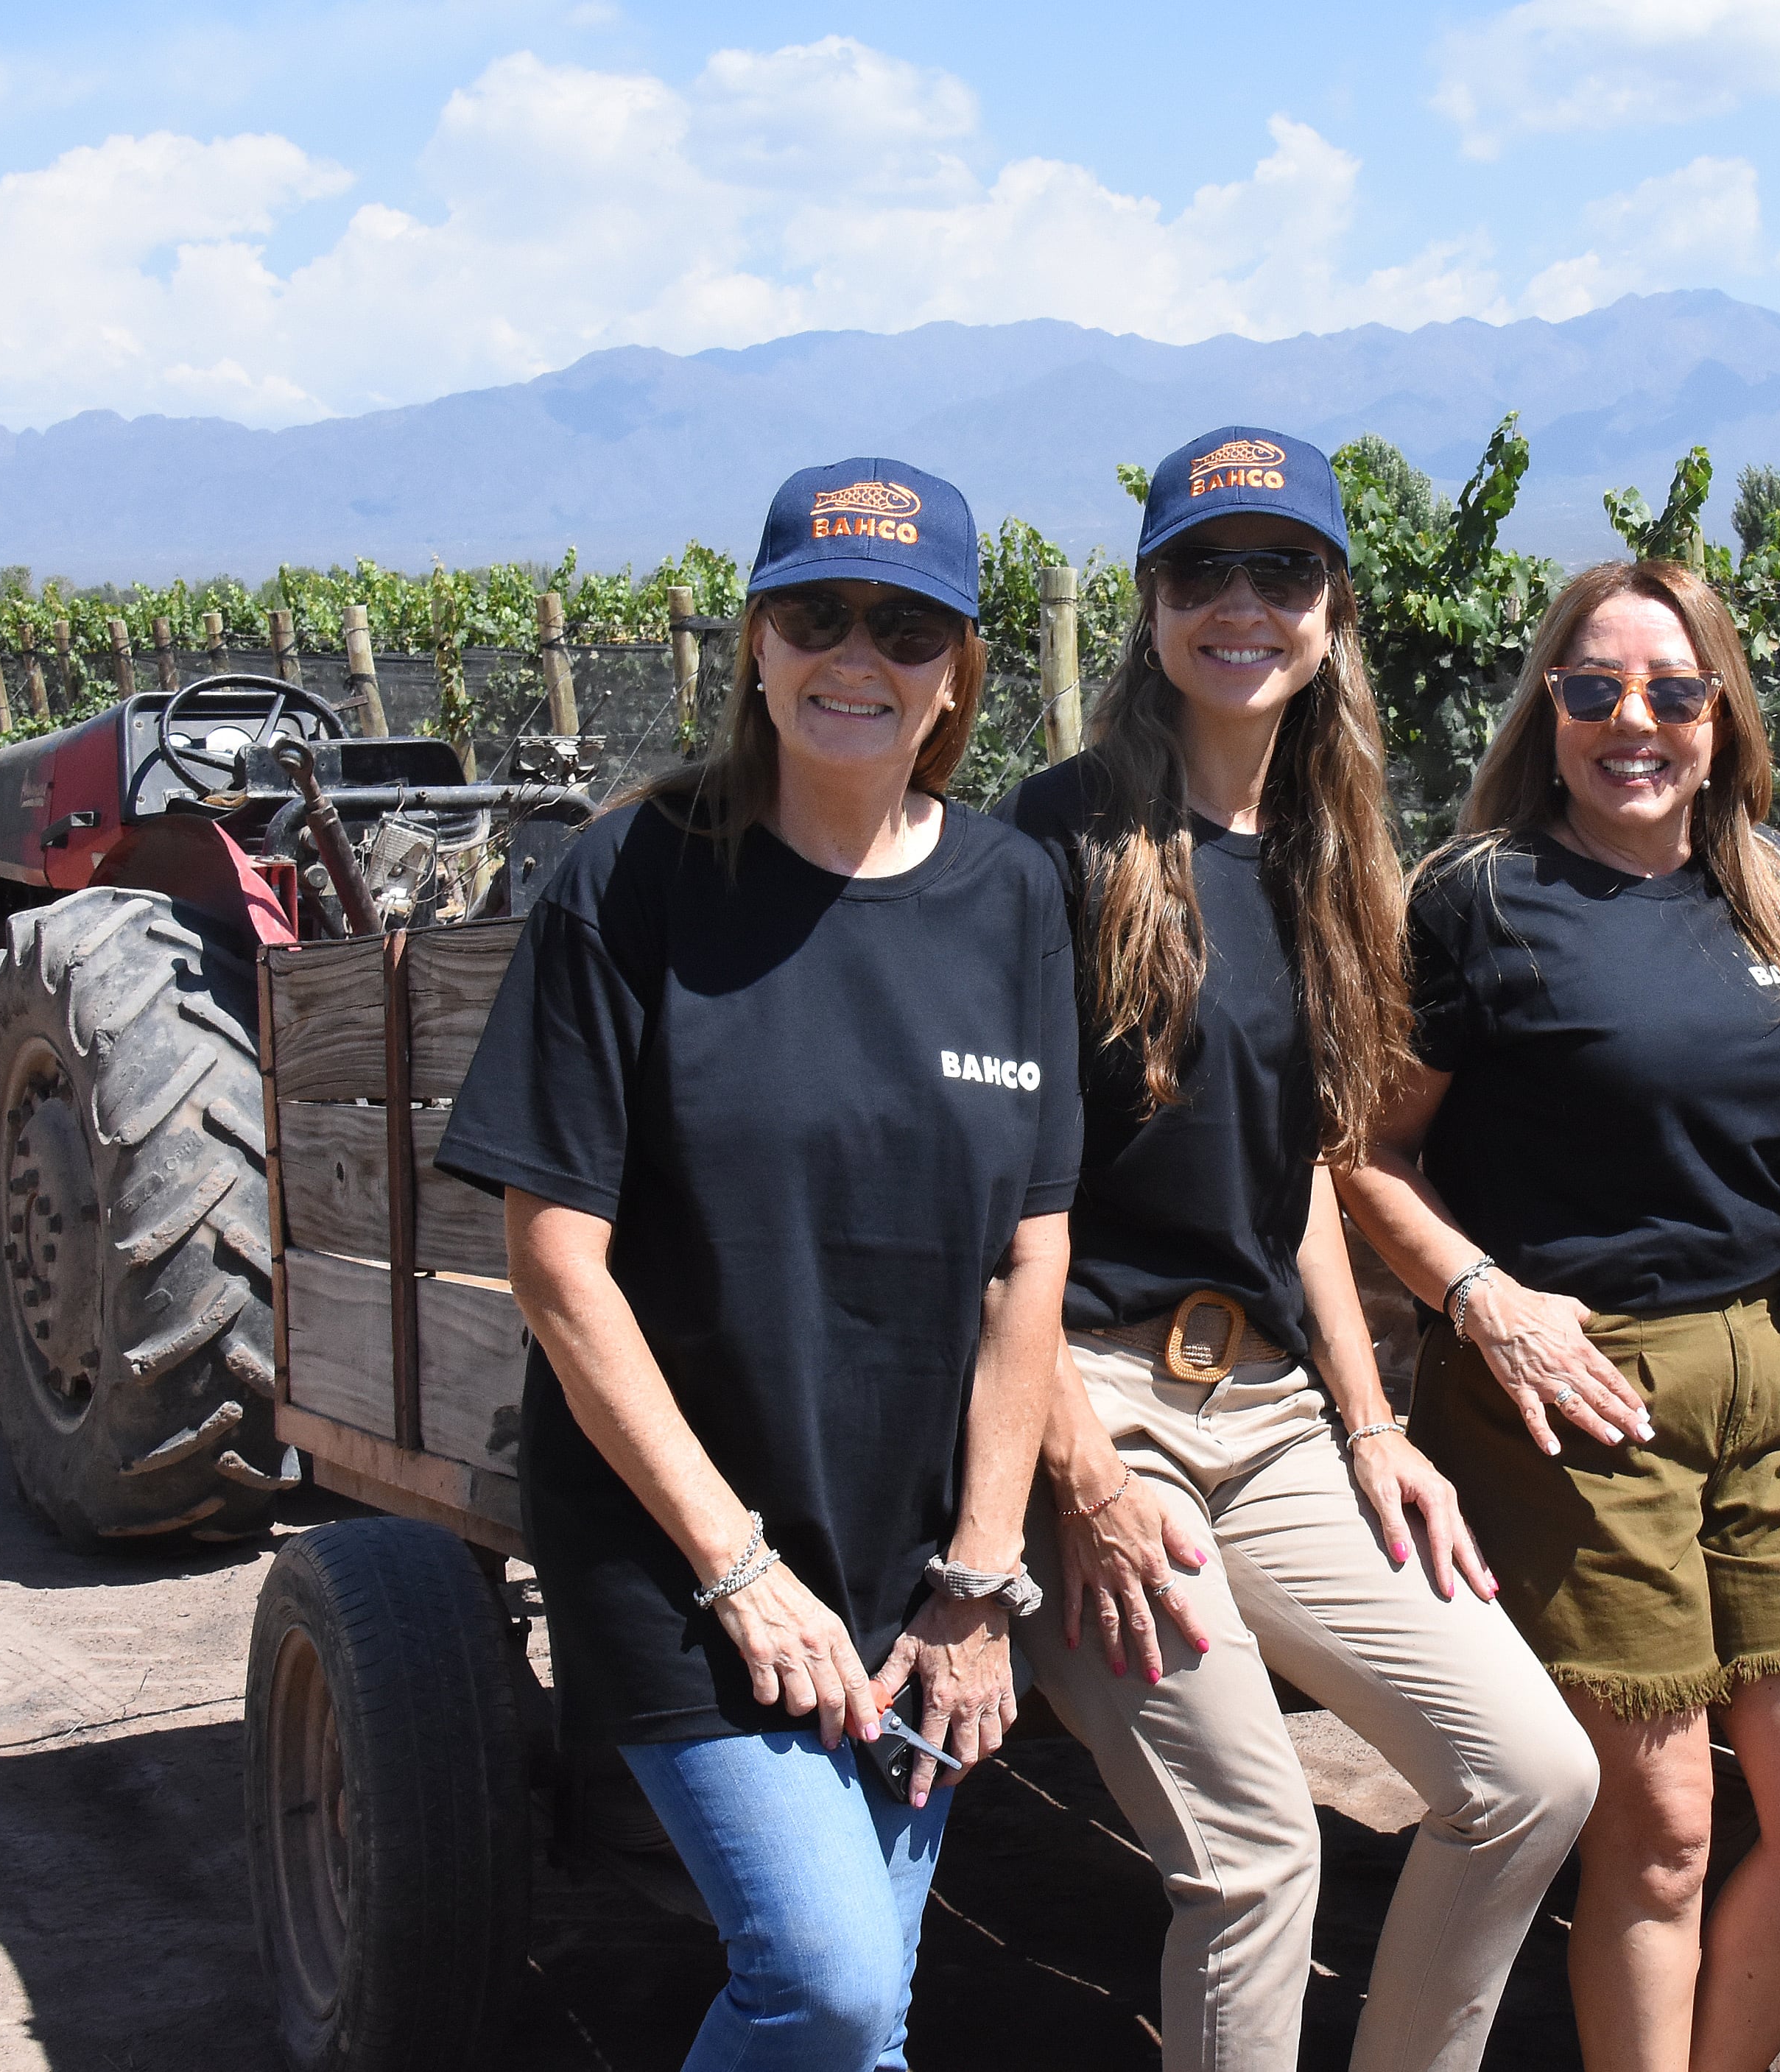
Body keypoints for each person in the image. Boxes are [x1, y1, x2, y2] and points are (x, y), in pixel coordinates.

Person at [438, 458, 1080, 2072]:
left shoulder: (1012, 896)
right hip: (674, 1546)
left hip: (911, 1569)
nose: (855, 655)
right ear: (753, 641)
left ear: (957, 675)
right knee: (829, 1982)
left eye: (905, 624)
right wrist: (735, 1568)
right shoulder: (633, 880)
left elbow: (1032, 1259)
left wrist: (979, 1582)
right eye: (816, 611)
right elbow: (556, 1262)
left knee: (867, 2028)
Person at [999, 426, 1595, 2072]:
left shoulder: (1334, 858)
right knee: (1258, 1858)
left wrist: (1376, 1423)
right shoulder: (1058, 844)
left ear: (1332, 608)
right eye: (1205, 569)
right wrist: (1079, 1471)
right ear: (1149, 603)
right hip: (1093, 1411)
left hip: (1269, 1421)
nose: (1242, 604)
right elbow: (990, 1201)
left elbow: (1315, 1176)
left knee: (1531, 1778)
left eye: (1282, 570)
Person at [1338, 557, 1780, 2072]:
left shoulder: (1769, 893)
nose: (1630, 722)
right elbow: (1364, 1155)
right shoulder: (1479, 904)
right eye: (1591, 690)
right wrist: (1481, 1297)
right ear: (1548, 708)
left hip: (1767, 1389)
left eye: (1670, 691)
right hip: (1572, 1391)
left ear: (1721, 716)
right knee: (1658, 1830)